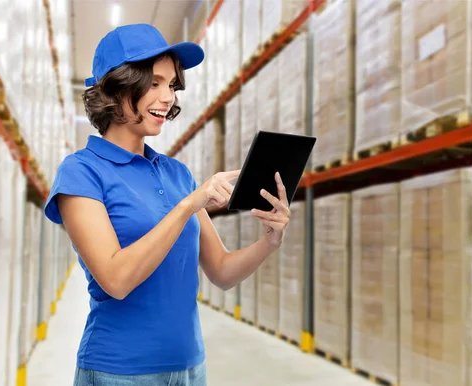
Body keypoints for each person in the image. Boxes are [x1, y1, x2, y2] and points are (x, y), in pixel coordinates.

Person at [43, 23, 291, 386]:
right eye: (155, 83)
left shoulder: (177, 174)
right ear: (118, 86)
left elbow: (221, 271)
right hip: (119, 371)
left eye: (172, 85)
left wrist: (269, 240)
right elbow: (115, 279)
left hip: (190, 367)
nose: (169, 97)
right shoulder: (81, 172)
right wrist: (188, 205)